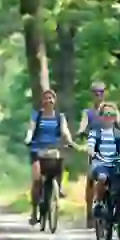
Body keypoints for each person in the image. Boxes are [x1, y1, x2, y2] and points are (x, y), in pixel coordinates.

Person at [77, 81, 120, 228]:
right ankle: (92, 210)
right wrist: (81, 131)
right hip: (97, 150)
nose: (98, 95)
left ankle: (118, 204)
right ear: (92, 94)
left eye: (101, 92)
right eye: (96, 93)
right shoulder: (88, 112)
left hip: (112, 152)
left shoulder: (111, 109)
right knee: (92, 180)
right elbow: (83, 124)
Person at [25, 89, 73, 225]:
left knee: (59, 162)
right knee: (37, 179)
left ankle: (58, 188)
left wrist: (69, 142)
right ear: (42, 100)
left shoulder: (60, 117)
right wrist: (28, 138)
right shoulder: (37, 115)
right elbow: (31, 128)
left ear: (55, 101)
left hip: (52, 149)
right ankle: (34, 211)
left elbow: (64, 131)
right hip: (37, 150)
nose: (49, 100)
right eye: (46, 98)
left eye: (51, 98)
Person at [87, 103, 120, 216]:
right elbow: (90, 146)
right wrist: (92, 152)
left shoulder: (118, 134)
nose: (109, 117)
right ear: (100, 116)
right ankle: (99, 202)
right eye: (106, 114)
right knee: (102, 178)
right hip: (101, 163)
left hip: (116, 164)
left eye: (112, 114)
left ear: (116, 117)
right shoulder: (95, 133)